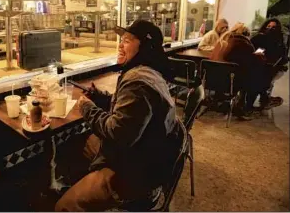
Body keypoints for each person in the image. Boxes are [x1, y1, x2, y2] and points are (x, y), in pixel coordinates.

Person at [55, 20, 180, 212]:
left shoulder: (137, 81)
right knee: (82, 142)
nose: (120, 45)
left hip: (134, 175)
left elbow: (118, 134)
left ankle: (91, 195)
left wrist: (87, 107)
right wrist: (100, 98)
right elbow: (132, 112)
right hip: (146, 156)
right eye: (121, 39)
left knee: (63, 207)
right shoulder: (149, 72)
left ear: (145, 46)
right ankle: (86, 186)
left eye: (128, 40)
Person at [211, 23, 271, 117]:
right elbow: (254, 63)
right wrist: (259, 55)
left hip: (213, 81)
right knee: (257, 77)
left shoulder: (221, 41)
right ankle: (248, 106)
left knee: (253, 76)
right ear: (246, 34)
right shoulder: (243, 44)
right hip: (230, 83)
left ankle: (259, 99)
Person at [251, 18, 288, 108]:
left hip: (271, 67)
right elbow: (253, 50)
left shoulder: (279, 41)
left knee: (264, 79)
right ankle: (264, 100)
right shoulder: (259, 37)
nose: (270, 29)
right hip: (257, 65)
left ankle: (264, 100)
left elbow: (282, 55)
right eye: (268, 26)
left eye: (273, 27)